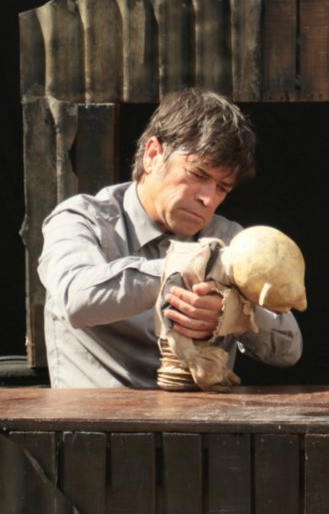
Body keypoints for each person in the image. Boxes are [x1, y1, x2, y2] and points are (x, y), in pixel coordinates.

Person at [38, 88, 302, 388]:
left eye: (222, 188)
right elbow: (76, 300)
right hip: (97, 416)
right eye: (198, 175)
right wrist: (182, 269)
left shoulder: (228, 238)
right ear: (153, 154)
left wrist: (234, 314)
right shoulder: (80, 220)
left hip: (204, 416)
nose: (208, 198)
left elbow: (289, 350)